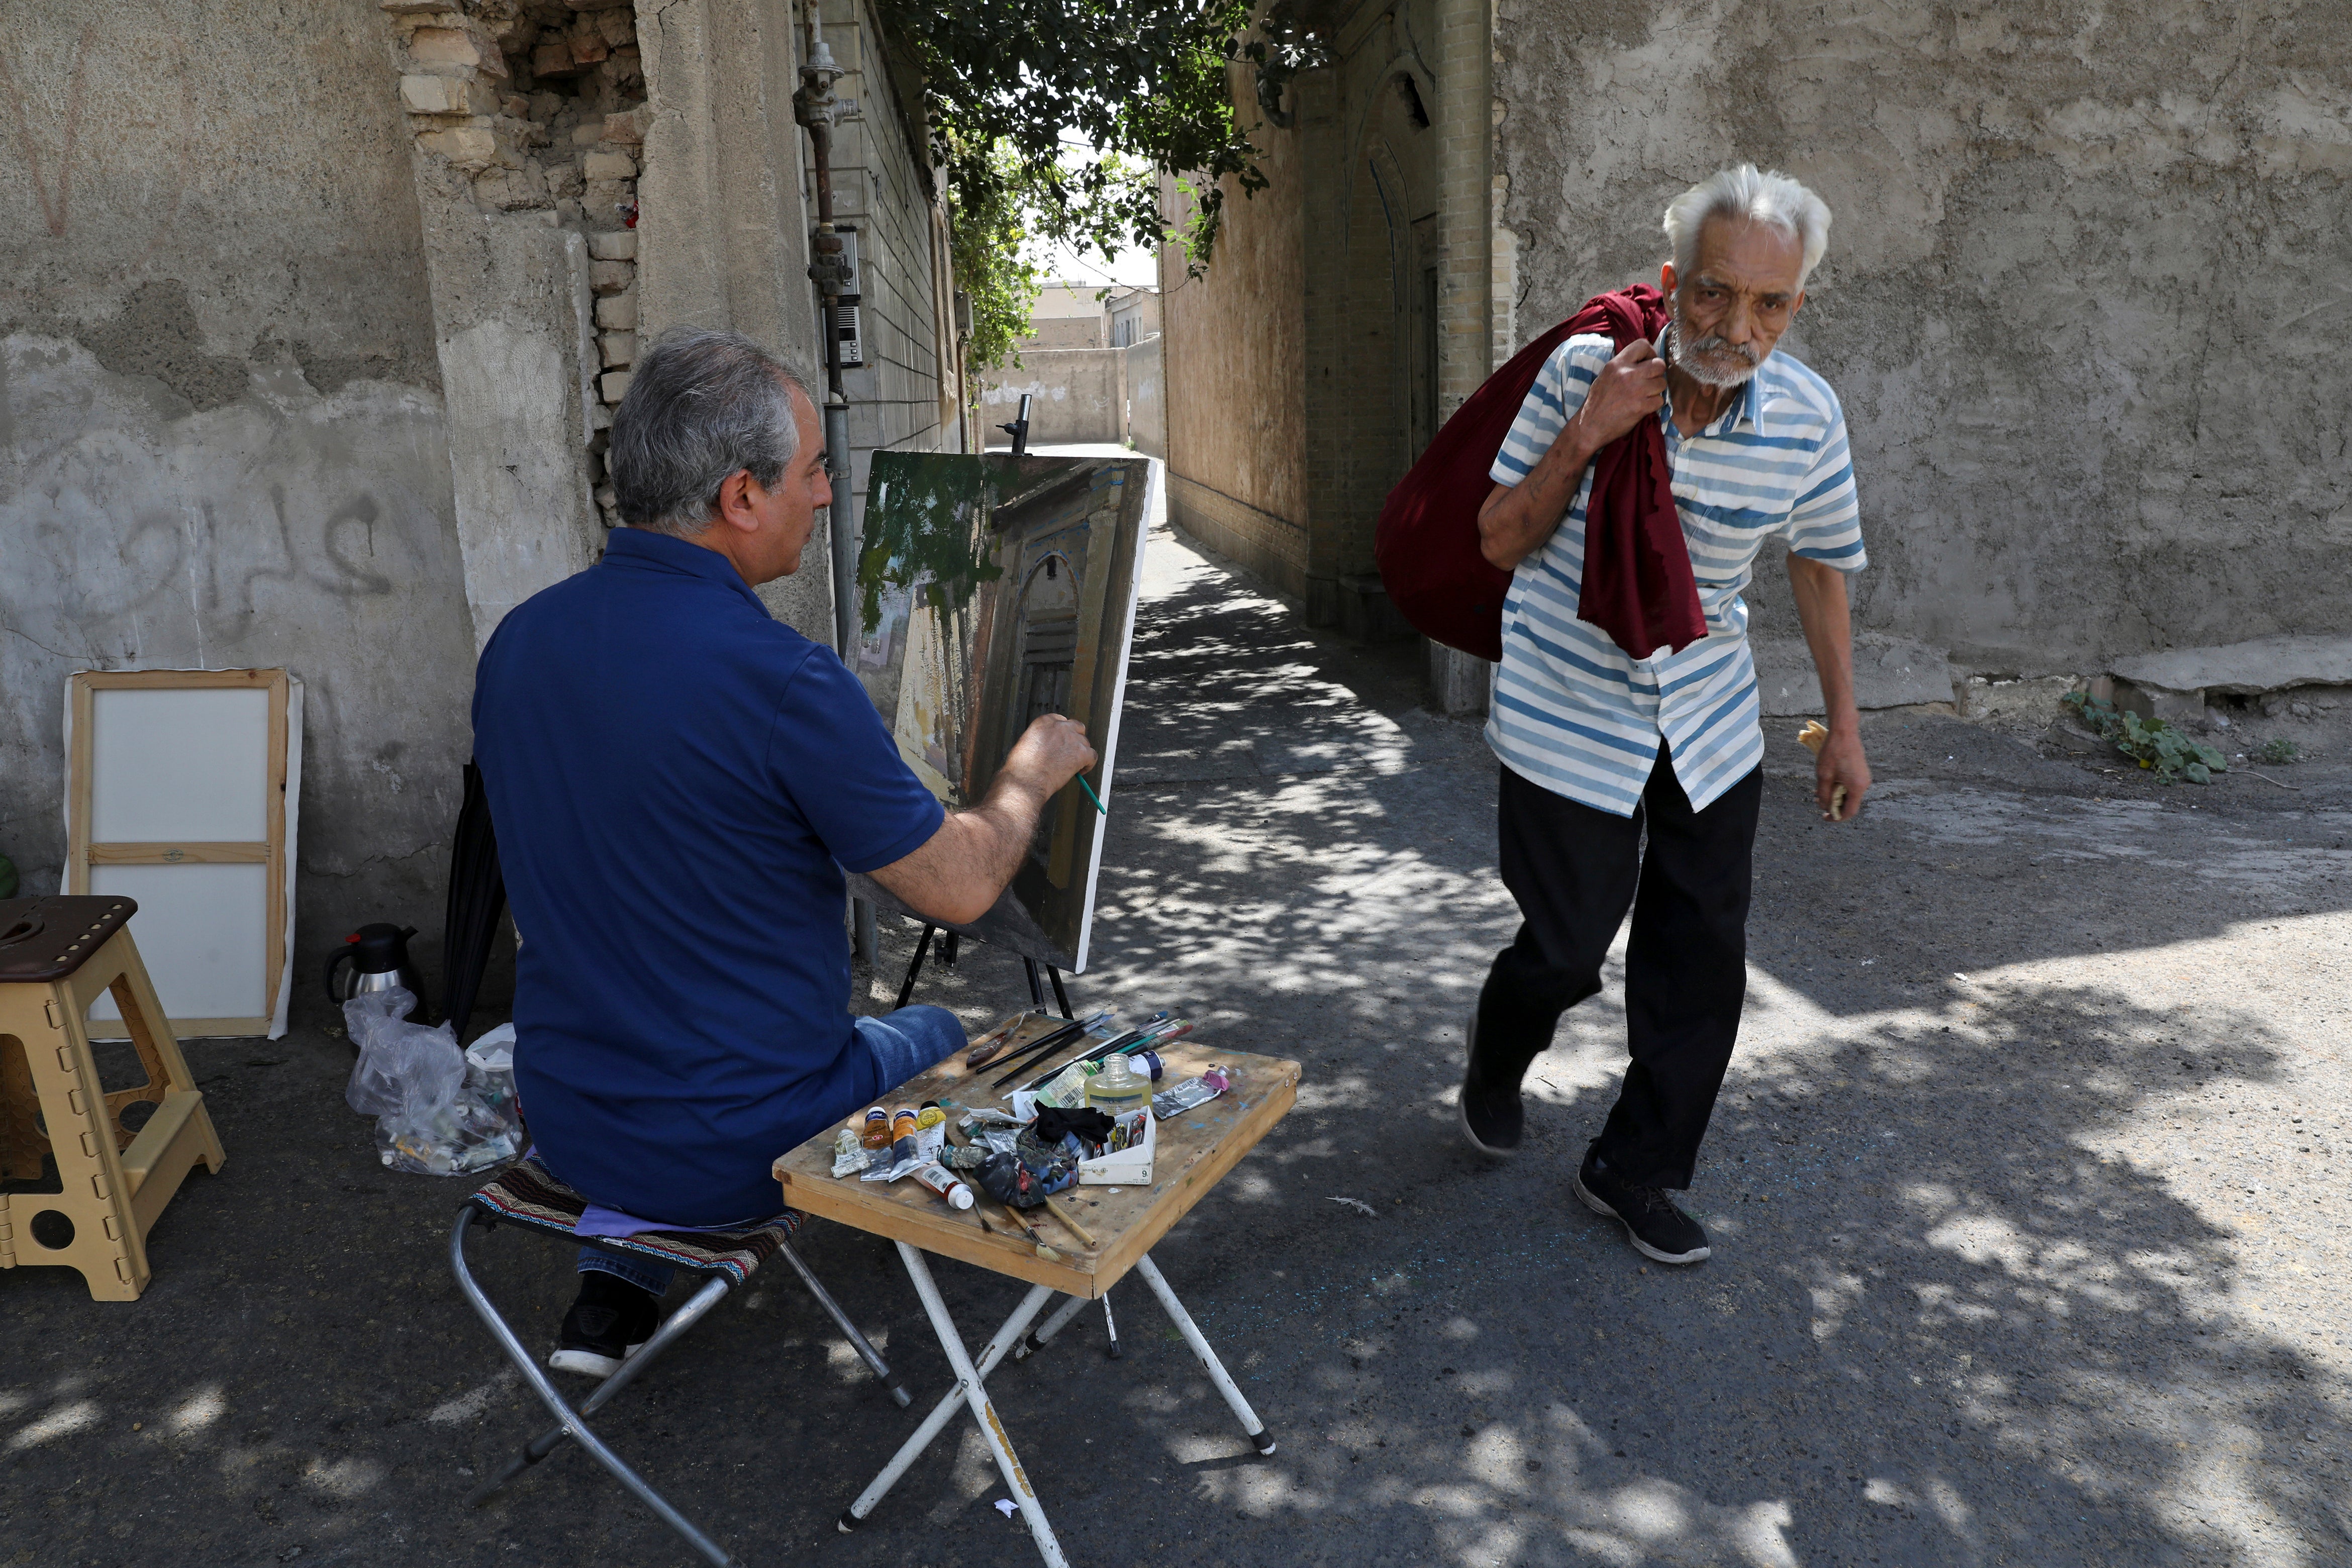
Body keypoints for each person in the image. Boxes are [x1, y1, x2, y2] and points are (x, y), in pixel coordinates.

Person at [472, 328, 1096, 1375]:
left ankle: (615, 1292)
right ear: (740, 497)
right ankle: (956, 1326)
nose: (822, 496)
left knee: (690, 1024)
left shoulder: (519, 642)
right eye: (810, 472)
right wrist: (1028, 773)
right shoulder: (782, 681)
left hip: (570, 1120)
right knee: (936, 1025)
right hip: (741, 1147)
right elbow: (959, 888)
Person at [1456, 166, 1870, 1265]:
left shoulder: (1809, 418)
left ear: (1796, 307)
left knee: (1700, 952)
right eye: (1714, 294)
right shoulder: (1588, 373)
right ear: (1674, 280)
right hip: (1567, 700)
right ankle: (1499, 1055)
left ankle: (1633, 1166)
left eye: (1770, 304)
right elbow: (1499, 537)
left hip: (1706, 709)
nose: (1738, 326)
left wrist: (1847, 724)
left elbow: (1823, 569)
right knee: (1564, 943)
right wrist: (1589, 430)